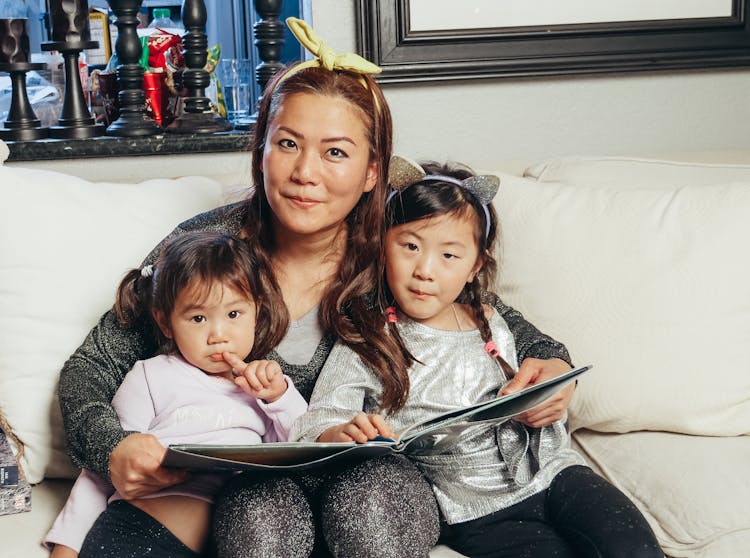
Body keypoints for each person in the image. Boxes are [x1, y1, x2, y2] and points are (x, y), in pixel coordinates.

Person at [58, 17, 575, 558]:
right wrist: (112, 446)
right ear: (260, 149)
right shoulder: (206, 247)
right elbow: (90, 369)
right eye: (287, 143)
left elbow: (499, 323)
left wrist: (553, 366)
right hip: (251, 491)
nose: (306, 172)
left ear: (373, 171)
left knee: (369, 501)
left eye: (335, 152)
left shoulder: (400, 254)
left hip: (375, 483)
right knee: (259, 513)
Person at [291, 158, 664, 558]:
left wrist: (550, 387)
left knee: (635, 547)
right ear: (383, 248)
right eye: (410, 246)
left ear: (475, 267)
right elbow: (321, 418)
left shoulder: (492, 318)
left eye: (449, 255)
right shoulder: (368, 339)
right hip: (476, 509)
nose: (425, 270)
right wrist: (341, 434)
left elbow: (549, 360)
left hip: (557, 474)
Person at [47, 231, 308, 558]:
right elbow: (107, 468)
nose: (218, 335)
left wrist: (279, 398)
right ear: (166, 322)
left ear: (257, 310)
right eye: (198, 318)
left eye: (233, 314)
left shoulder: (267, 388)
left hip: (234, 540)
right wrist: (66, 548)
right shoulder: (151, 376)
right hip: (137, 534)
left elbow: (302, 452)